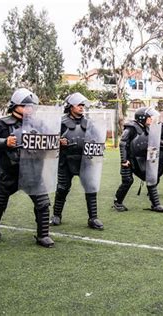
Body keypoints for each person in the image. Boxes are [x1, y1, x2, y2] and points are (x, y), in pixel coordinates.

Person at [0, 88, 55, 247]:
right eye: (25, 106)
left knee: (42, 203)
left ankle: (43, 235)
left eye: (31, 106)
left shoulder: (39, 124)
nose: (29, 109)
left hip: (33, 173)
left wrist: (55, 143)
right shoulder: (2, 124)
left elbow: (51, 140)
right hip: (8, 172)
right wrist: (4, 142)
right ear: (14, 106)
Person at [50, 92, 104, 228]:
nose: (81, 107)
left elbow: (98, 140)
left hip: (85, 161)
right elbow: (49, 140)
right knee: (62, 188)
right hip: (65, 161)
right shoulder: (60, 122)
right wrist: (58, 142)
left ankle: (93, 218)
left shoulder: (89, 123)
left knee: (91, 189)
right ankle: (56, 215)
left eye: (82, 105)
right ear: (70, 106)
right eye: (78, 105)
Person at [112, 107, 163, 212]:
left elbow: (154, 140)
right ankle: (118, 202)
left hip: (141, 159)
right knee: (128, 181)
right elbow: (123, 144)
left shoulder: (147, 128)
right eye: (149, 117)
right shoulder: (131, 128)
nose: (151, 119)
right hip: (128, 161)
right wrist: (124, 160)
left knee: (150, 179)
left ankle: (155, 204)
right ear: (142, 118)